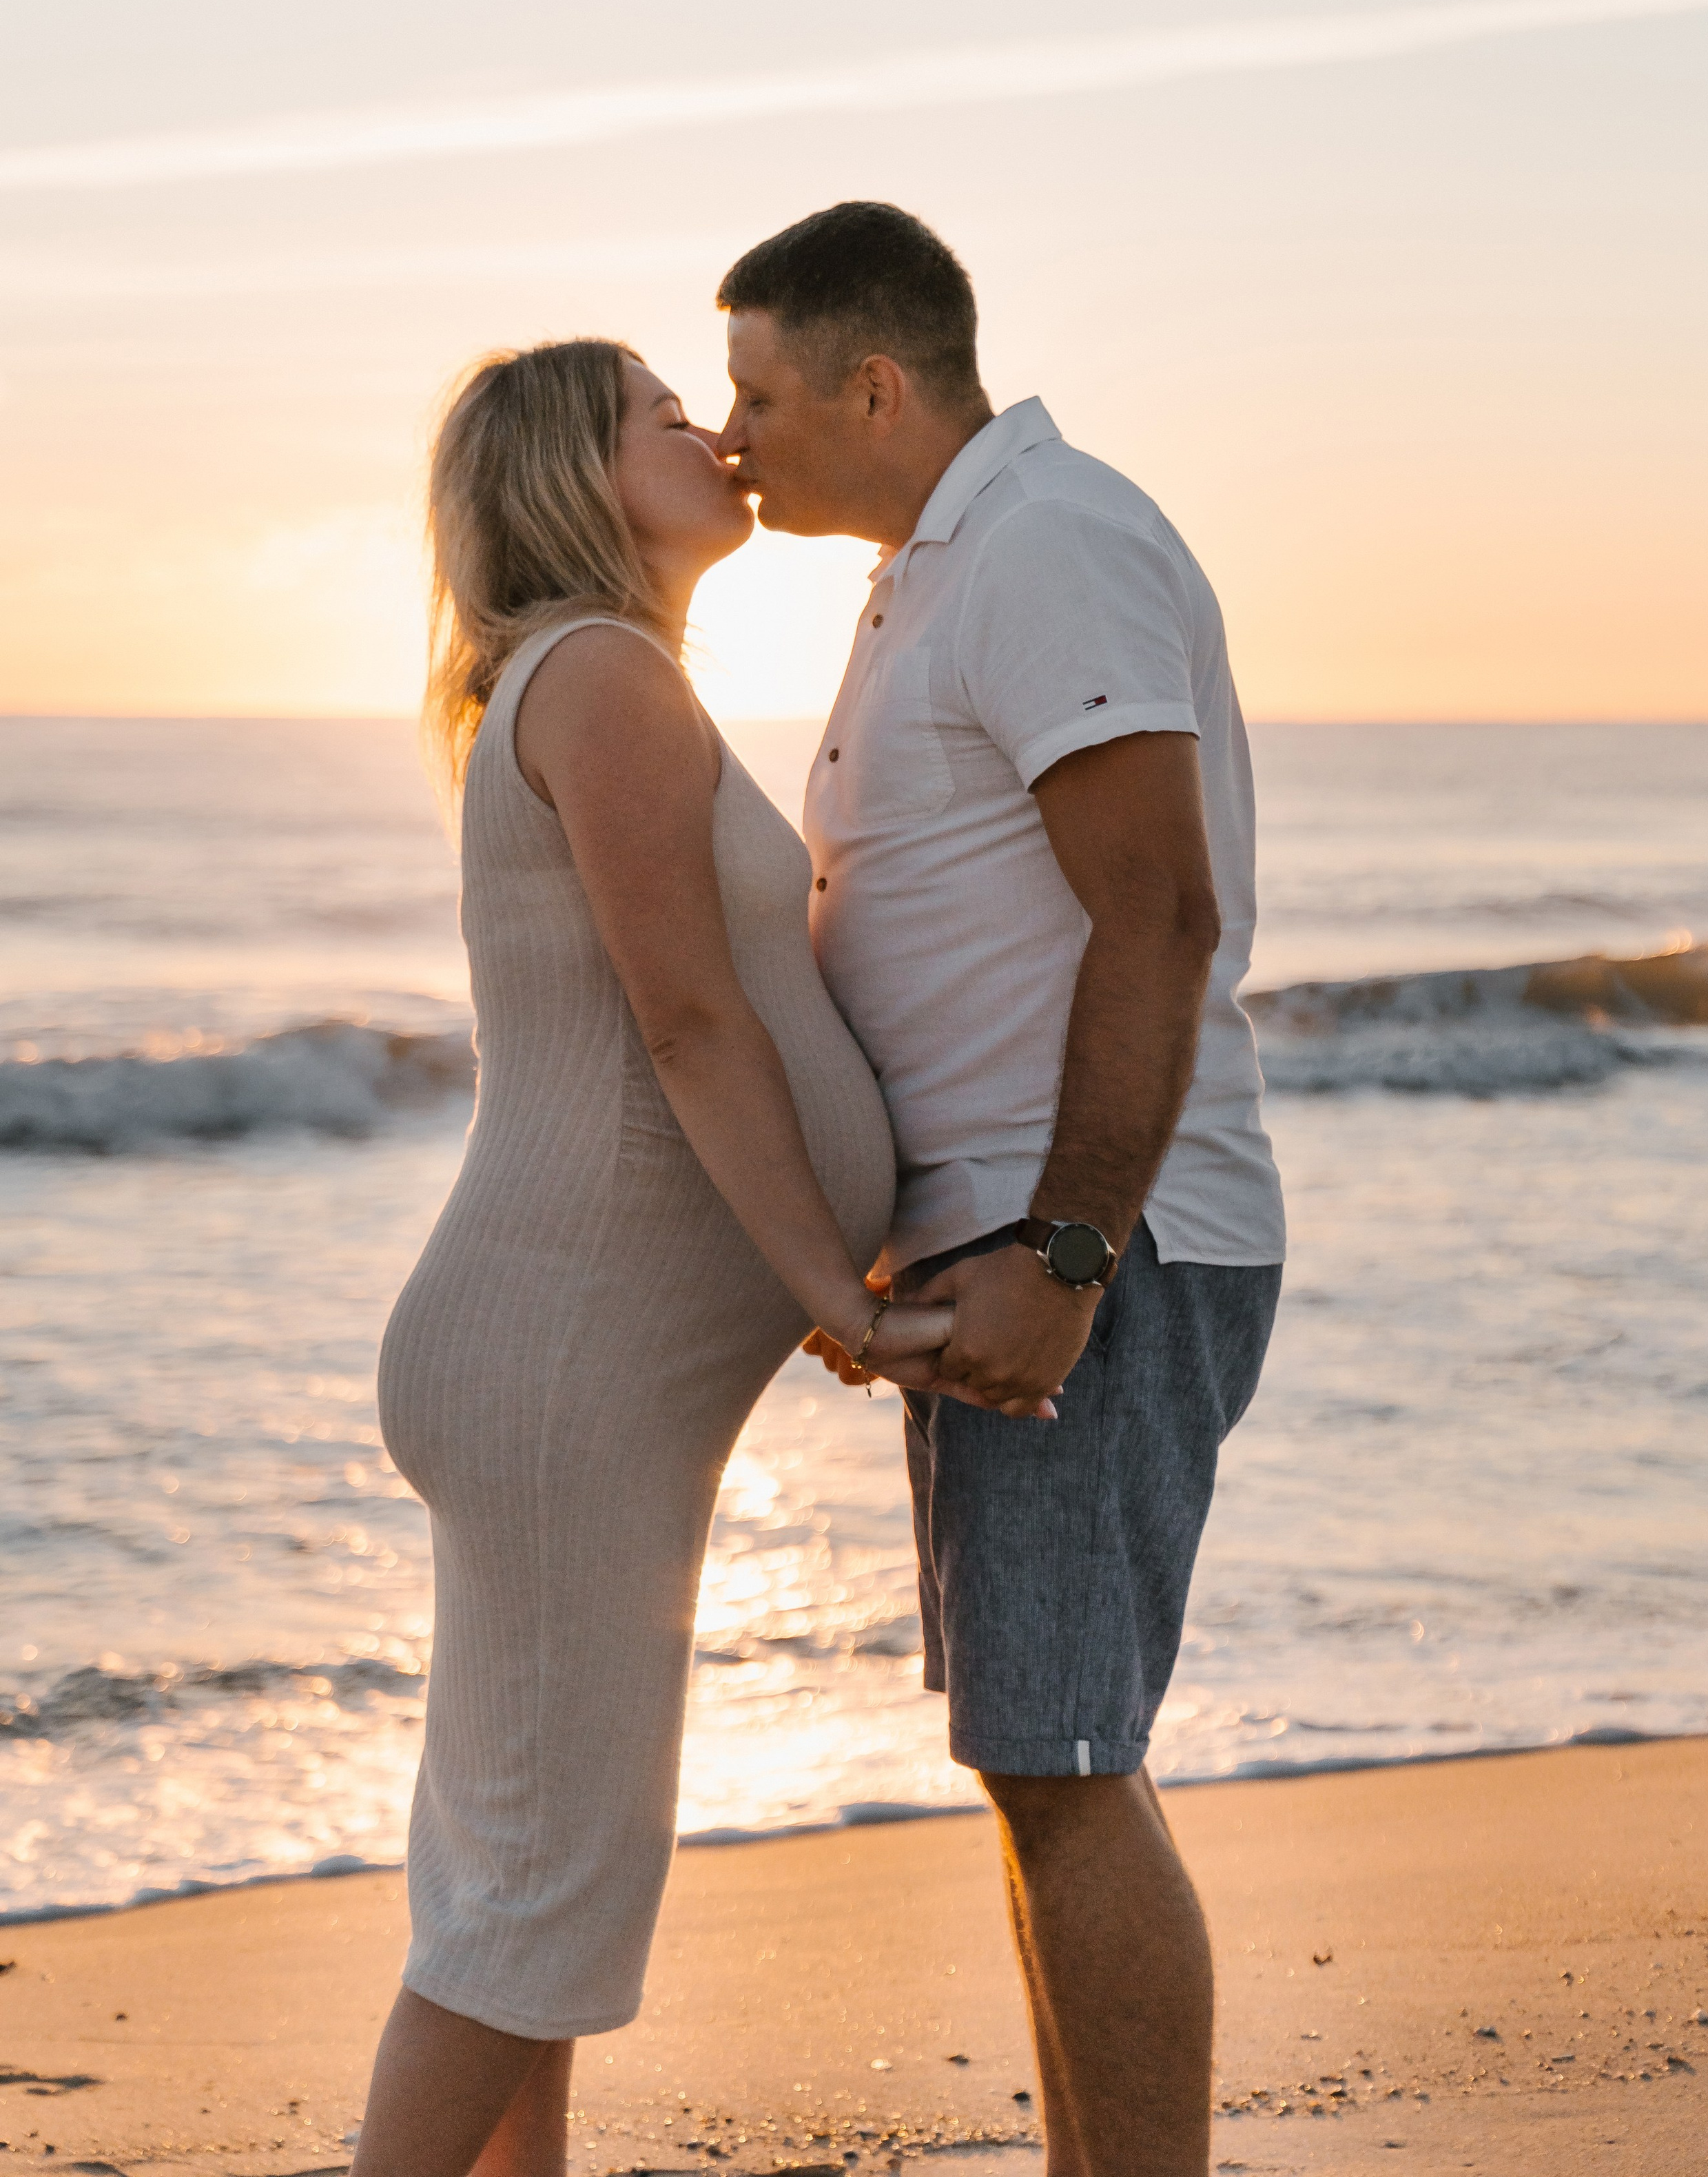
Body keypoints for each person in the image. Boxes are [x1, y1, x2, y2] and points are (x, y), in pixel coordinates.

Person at [356, 339, 969, 2177]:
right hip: (562, 1364)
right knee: (543, 1880)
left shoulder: (594, 677)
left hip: (554, 1358)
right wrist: (828, 1287)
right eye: (656, 411)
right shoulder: (607, 677)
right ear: (571, 474)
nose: (709, 429)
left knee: (524, 1880)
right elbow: (690, 1025)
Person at [716, 204, 1286, 2177]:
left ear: (878, 385)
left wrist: (1067, 1250)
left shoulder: (1047, 544)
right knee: (1035, 1762)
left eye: (762, 392)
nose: (734, 434)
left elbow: (1160, 912)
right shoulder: (928, 572)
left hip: (1089, 1248)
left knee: (1063, 1762)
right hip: (1005, 1247)